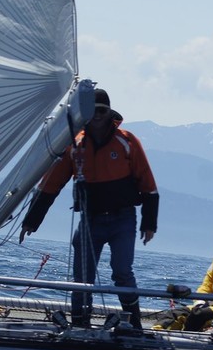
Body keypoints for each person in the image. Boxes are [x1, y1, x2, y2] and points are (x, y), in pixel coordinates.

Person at [19, 88, 159, 329]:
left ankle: (134, 323)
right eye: (93, 111)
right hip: (90, 220)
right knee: (83, 278)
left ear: (109, 113)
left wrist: (149, 224)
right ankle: (80, 323)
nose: (97, 115)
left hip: (122, 219)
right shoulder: (75, 144)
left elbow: (148, 184)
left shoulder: (126, 141)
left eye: (102, 111)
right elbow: (51, 184)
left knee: (122, 272)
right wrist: (32, 220)